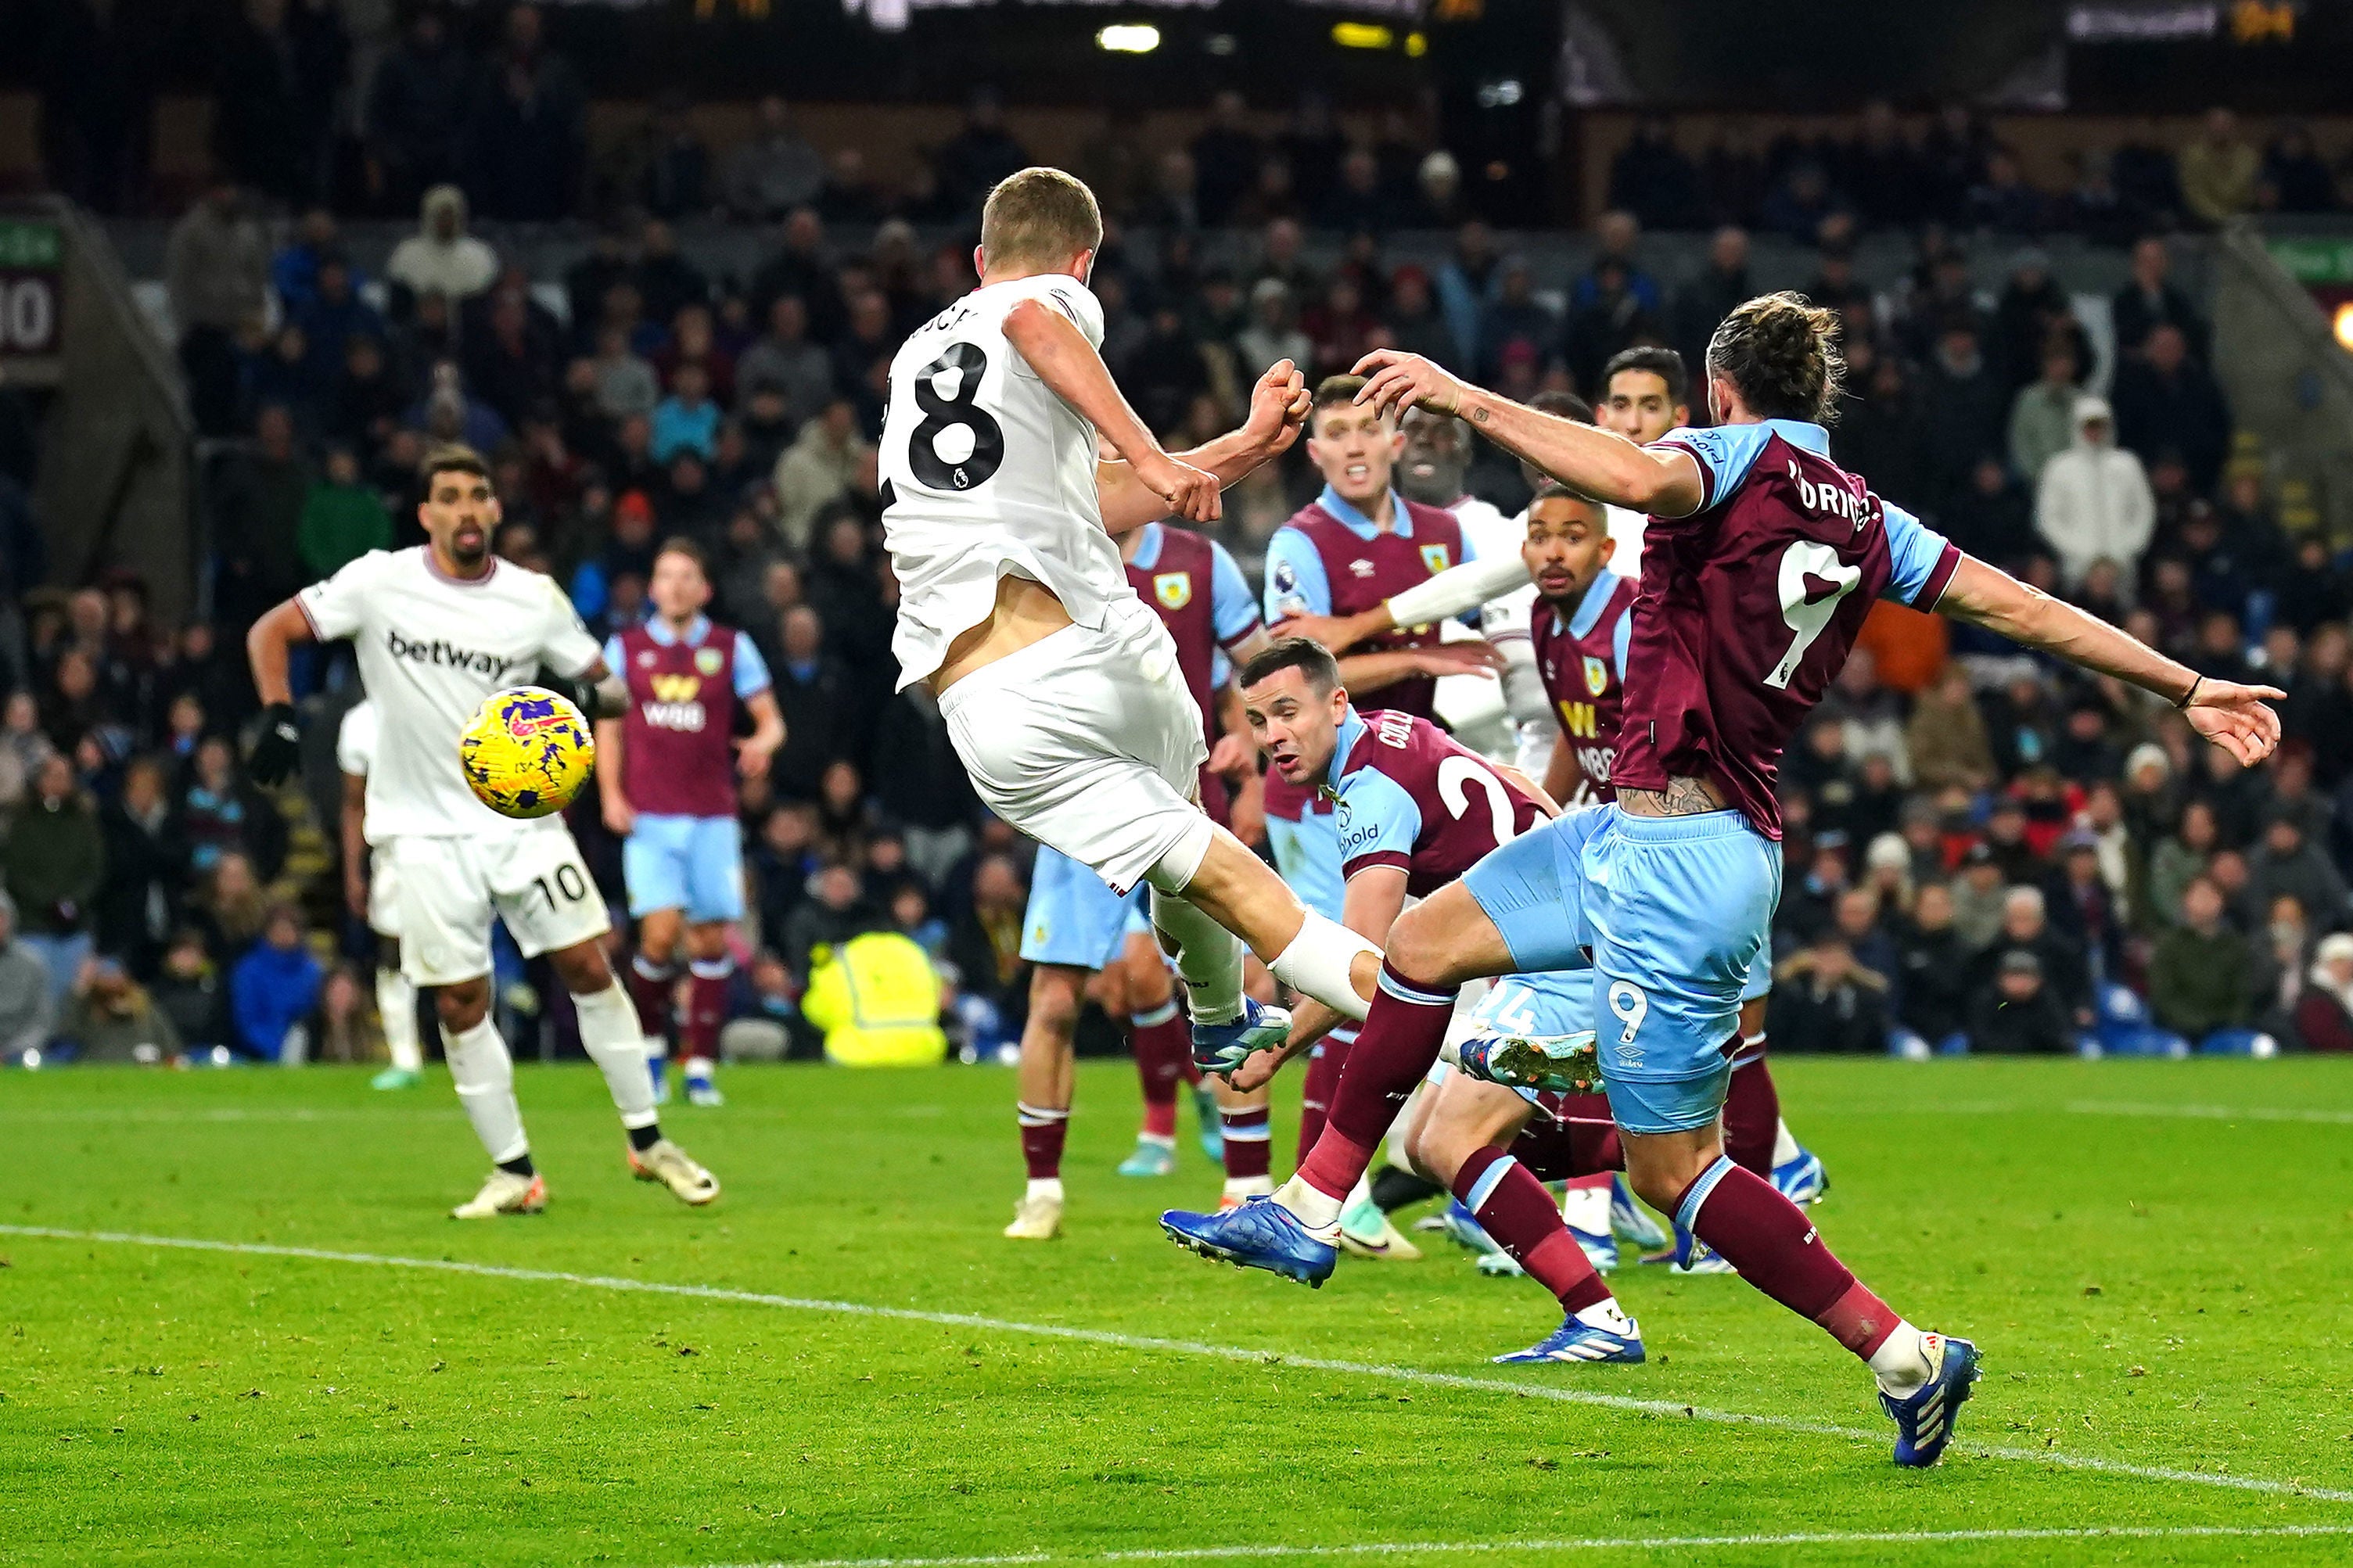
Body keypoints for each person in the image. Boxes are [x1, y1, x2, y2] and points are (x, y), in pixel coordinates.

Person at [1166, 292, 2280, 1466]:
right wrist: (2185, 684)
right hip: (1630, 830)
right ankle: (1309, 1208)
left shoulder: (1720, 460)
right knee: (1422, 951)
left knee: (1676, 1172)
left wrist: (1460, 394)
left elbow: (1639, 483)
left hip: (1683, 855)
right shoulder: (1870, 518)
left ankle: (1904, 1353)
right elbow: (2027, 606)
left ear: (1721, 391)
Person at [876, 167, 1388, 1121]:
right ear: (1084, 262)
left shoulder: (915, 356)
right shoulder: (1046, 303)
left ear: (977, 260)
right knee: (1217, 865)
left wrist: (1235, 447)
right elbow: (1036, 325)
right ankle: (1431, 1028)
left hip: (989, 707)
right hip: (1106, 651)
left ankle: (1229, 1013)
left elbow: (1100, 502)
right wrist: (1155, 451)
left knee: (1207, 865)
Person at [245, 443, 720, 1218]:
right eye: (449, 497)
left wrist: (572, 696)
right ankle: (514, 1172)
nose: (466, 509)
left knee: (587, 963)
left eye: (478, 494)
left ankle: (648, 1140)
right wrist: (277, 715)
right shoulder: (378, 582)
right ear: (426, 513)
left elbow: (609, 692)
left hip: (520, 820)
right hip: (421, 833)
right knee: (461, 1000)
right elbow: (270, 631)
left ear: (496, 509)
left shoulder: (533, 598)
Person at [1209, 637, 1650, 1360]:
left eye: (1288, 712)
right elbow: (1510, 777)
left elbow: (1362, 960)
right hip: (1570, 940)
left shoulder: (1370, 792)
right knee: (1421, 1147)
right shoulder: (1396, 731)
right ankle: (1672, 1149)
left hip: (1566, 960)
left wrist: (1279, 1045)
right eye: (1259, 721)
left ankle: (1599, 1314)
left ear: (1336, 702)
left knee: (1450, 1141)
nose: (1274, 737)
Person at [1004, 516, 1275, 1240]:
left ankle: (1248, 1183)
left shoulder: (1200, 562)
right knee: (1056, 999)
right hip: (1075, 807)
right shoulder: (1039, 549)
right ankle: (1041, 1192)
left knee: (1239, 987)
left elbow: (1259, 669)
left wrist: (1251, 762)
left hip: (1182, 801)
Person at [595, 539, 783, 1111]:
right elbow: (609, 727)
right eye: (665, 575)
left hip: (712, 816)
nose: (675, 586)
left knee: (708, 937)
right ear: (652, 588)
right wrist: (610, 793)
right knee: (656, 935)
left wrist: (761, 745)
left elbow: (772, 721)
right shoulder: (625, 647)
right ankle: (652, 1048)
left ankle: (699, 1065)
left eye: (687, 576)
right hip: (650, 814)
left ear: (704, 589)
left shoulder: (732, 647)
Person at [337, 698, 426, 1091]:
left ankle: (471, 1049)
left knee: (463, 949)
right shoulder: (360, 722)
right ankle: (404, 1057)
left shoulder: (444, 701)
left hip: (455, 846)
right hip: (391, 851)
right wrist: (354, 870)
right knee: (392, 950)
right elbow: (353, 803)